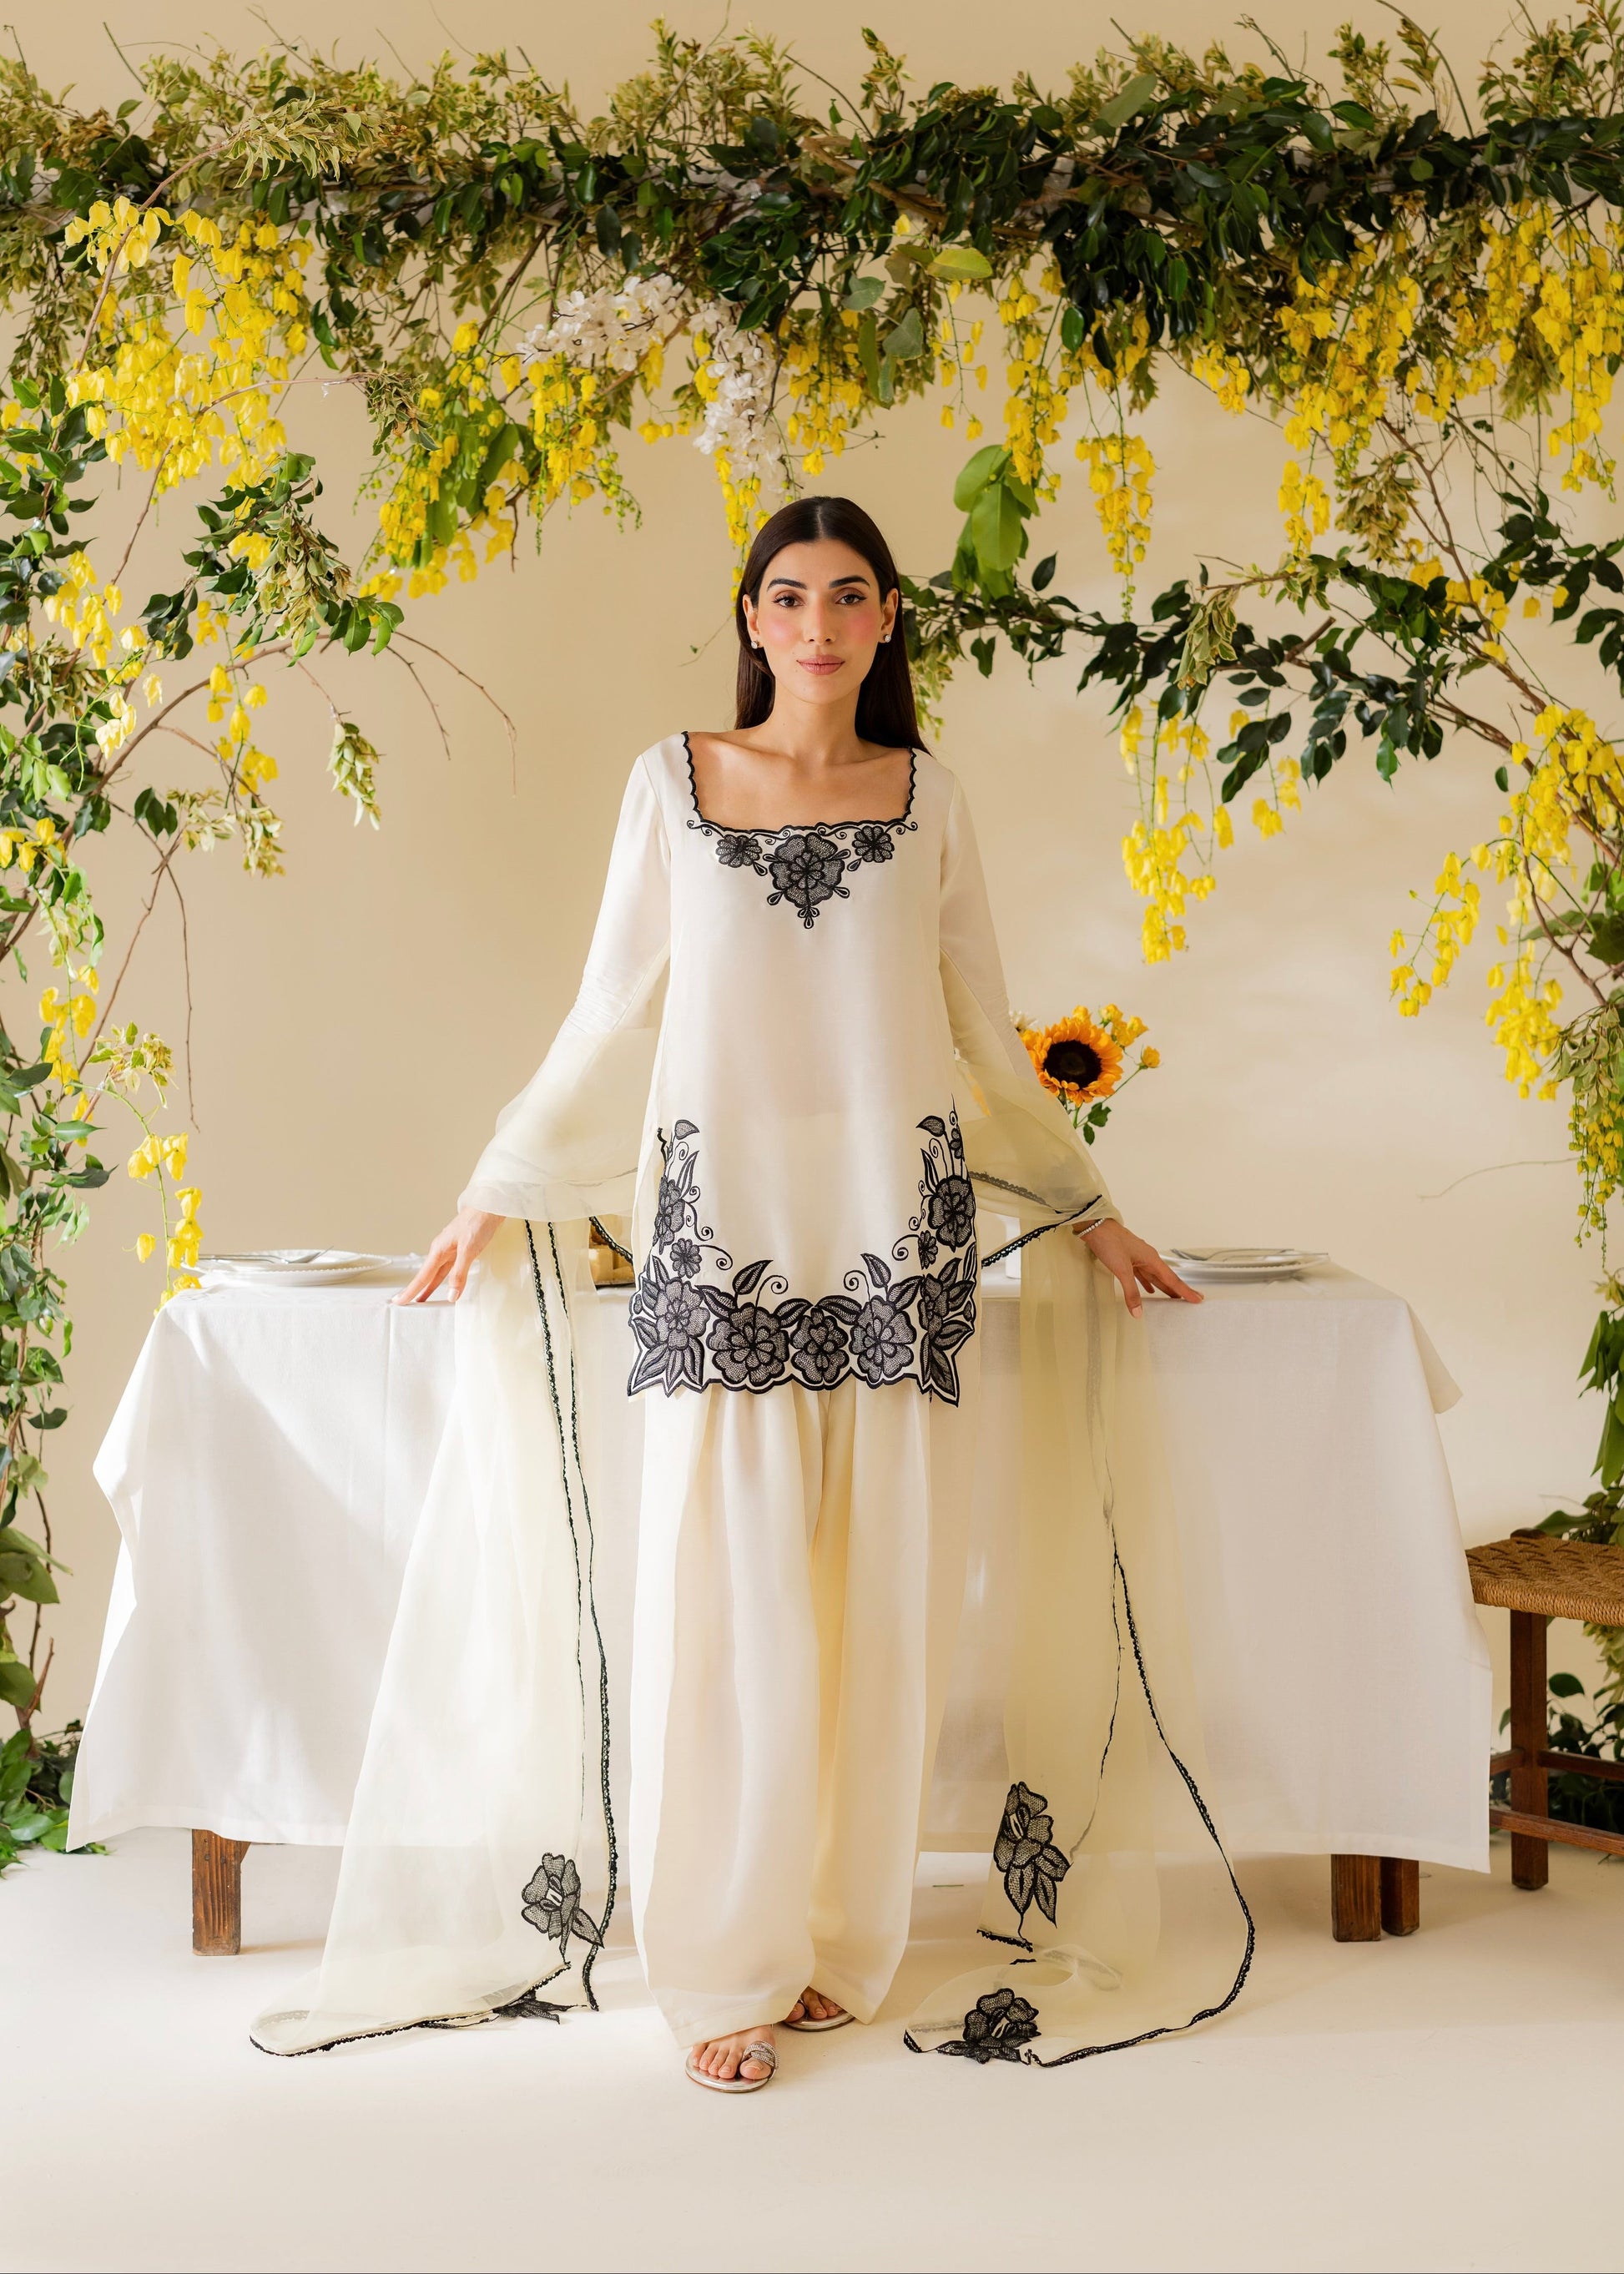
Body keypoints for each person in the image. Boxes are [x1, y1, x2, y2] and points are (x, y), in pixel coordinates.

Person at [388, 495, 1204, 2093]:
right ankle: (721, 1969)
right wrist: (497, 1180)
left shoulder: (927, 795)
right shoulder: (671, 784)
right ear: (750, 617)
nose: (816, 623)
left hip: (894, 1237)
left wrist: (1090, 1210)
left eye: (846, 596)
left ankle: (836, 1942)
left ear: (886, 618)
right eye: (787, 595)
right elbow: (610, 1009)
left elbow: (981, 1030)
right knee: (730, 1607)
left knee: (879, 1608)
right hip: (726, 1239)